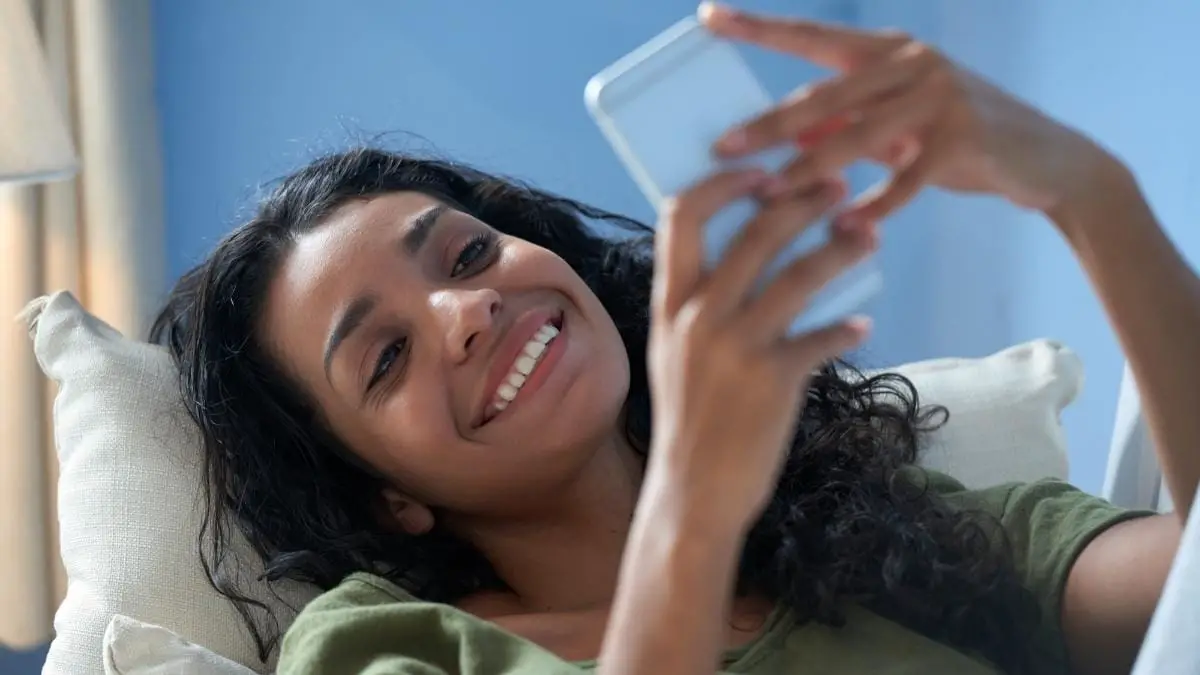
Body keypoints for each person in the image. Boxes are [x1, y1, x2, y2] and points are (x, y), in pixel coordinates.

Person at [151, 4, 1197, 674]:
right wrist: (693, 504)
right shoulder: (385, 646)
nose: (465, 313)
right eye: (386, 358)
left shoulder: (898, 541)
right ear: (391, 496)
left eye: (467, 255)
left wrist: (1088, 193)